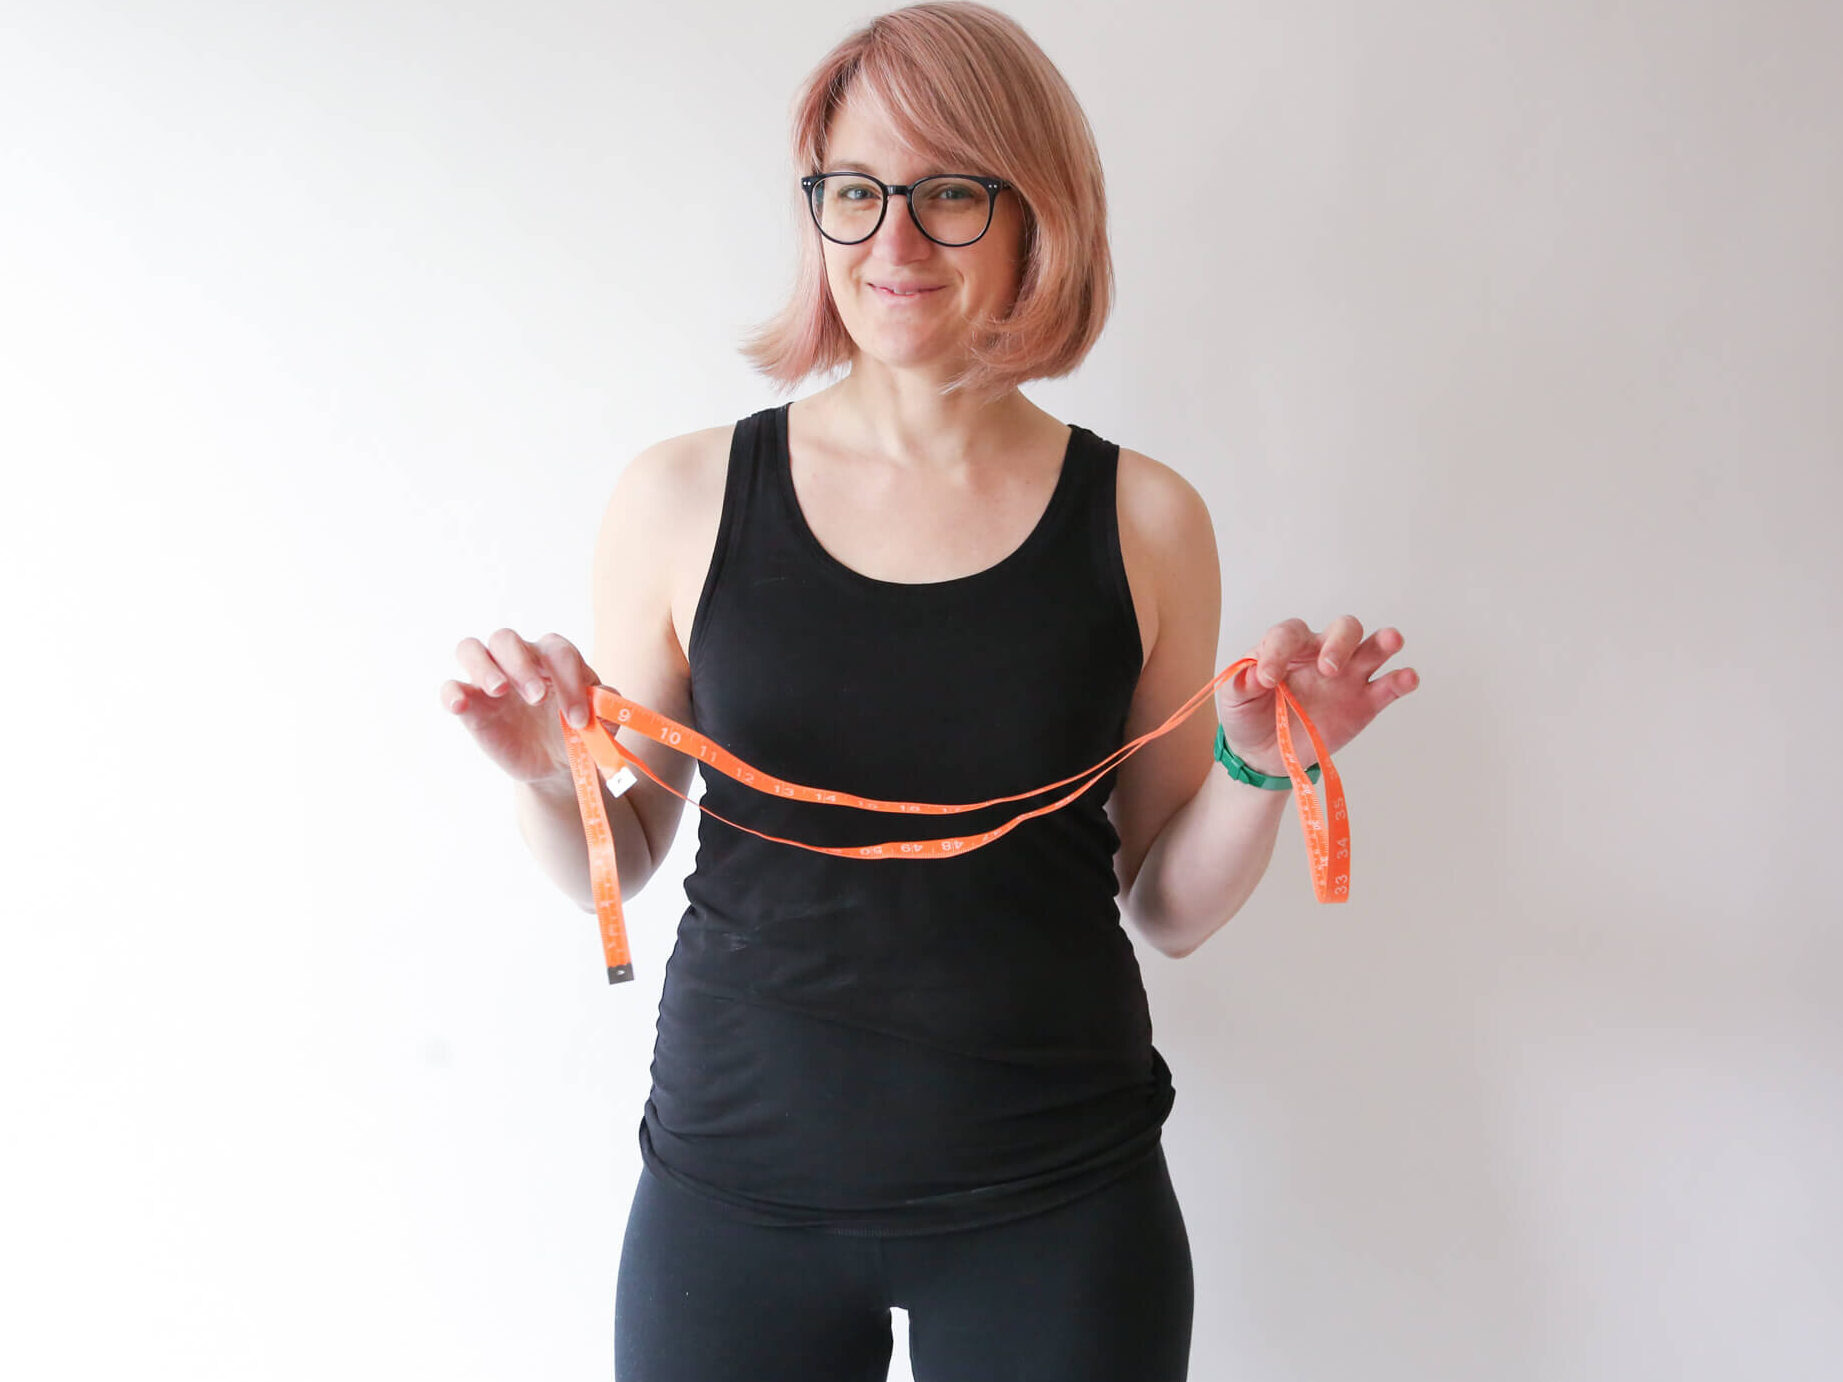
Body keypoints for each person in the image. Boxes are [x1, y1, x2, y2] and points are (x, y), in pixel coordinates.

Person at [440, 4, 1418, 1378]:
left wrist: (1265, 763)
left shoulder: (1146, 518)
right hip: (733, 1198)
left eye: (950, 194)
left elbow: (1167, 907)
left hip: (1059, 1205)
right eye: (855, 192)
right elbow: (624, 850)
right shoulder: (680, 496)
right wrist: (549, 775)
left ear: (1037, 218)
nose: (891, 243)